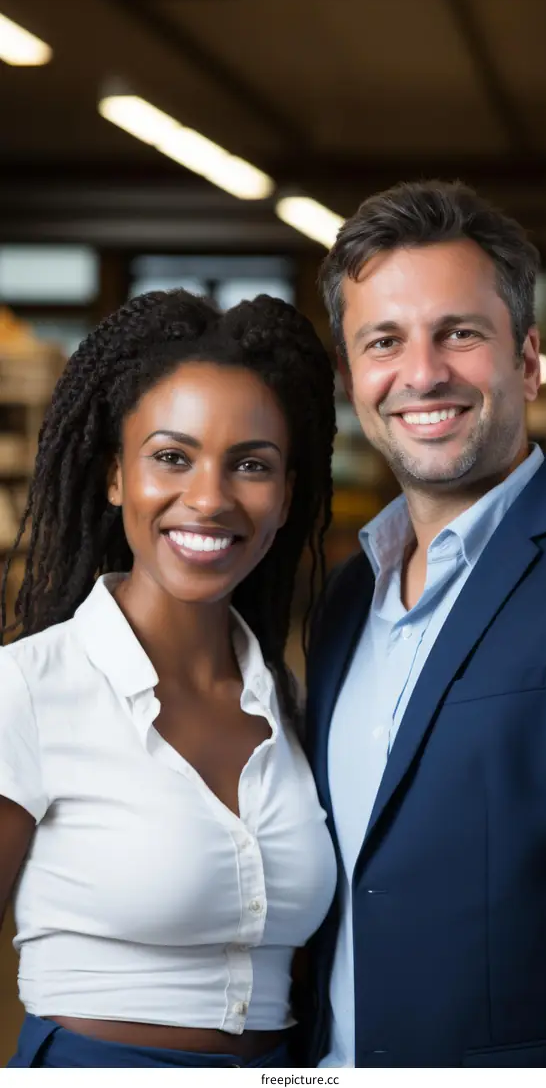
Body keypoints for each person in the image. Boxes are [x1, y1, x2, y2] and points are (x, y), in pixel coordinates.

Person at [0, 288, 338, 1069]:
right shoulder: (29, 690)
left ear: (286, 496)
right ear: (116, 476)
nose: (210, 498)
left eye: (250, 464)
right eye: (172, 457)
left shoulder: (291, 705)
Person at [305, 180, 546, 1068]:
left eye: (459, 333)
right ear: (353, 377)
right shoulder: (347, 596)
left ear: (528, 360)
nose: (423, 373)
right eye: (384, 341)